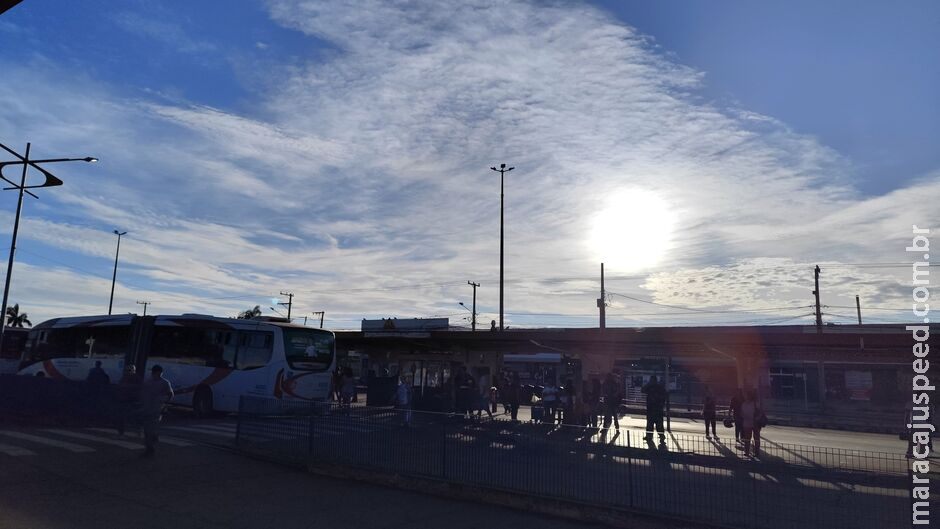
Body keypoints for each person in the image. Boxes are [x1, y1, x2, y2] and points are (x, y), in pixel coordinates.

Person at [139, 365, 173, 458]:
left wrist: (163, 401)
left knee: (151, 429)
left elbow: (170, 394)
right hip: (148, 409)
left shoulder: (164, 383)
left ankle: (150, 447)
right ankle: (149, 447)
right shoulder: (148, 382)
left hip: (156, 409)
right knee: (147, 430)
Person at [116, 364, 141, 436]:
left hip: (132, 400)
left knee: (133, 416)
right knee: (122, 417)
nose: (128, 372)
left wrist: (127, 386)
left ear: (133, 370)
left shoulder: (137, 378)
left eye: (129, 370)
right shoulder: (125, 377)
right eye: (127, 370)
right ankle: (121, 432)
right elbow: (120, 385)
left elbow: (140, 387)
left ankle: (137, 430)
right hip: (124, 399)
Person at [739, 390, 765, 457]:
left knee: (756, 438)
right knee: (747, 438)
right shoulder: (743, 404)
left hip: (755, 423)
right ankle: (747, 452)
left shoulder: (755, 403)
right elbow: (741, 413)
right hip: (746, 423)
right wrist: (744, 416)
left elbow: (761, 412)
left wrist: (757, 418)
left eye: (746, 396)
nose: (745, 397)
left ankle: (757, 452)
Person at [642, 375, 667, 443]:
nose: (651, 381)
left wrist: (660, 402)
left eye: (652, 380)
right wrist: (648, 384)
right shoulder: (650, 387)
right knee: (650, 424)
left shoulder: (659, 387)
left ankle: (661, 437)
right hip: (651, 408)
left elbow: (664, 396)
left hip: (657, 409)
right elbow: (643, 390)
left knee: (659, 425)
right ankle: (649, 436)